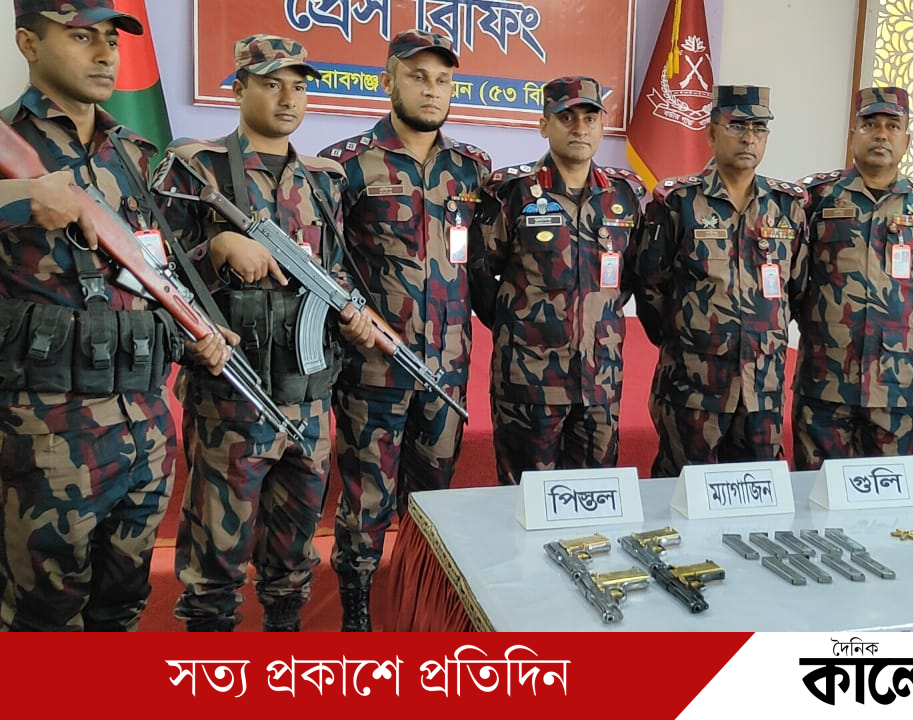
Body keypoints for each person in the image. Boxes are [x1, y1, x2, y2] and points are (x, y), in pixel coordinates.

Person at [0, 0, 229, 631]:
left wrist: (195, 324)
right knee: (41, 623)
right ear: (28, 43)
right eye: (82, 37)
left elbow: (149, 268)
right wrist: (23, 197)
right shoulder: (7, 141)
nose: (105, 54)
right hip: (45, 437)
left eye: (111, 38)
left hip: (144, 433)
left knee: (120, 613)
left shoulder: (135, 154)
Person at [153, 34, 371, 632]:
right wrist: (218, 245)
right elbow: (153, 272)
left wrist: (350, 313)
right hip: (231, 400)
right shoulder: (197, 168)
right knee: (214, 567)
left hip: (308, 401)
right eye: (272, 84)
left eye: (298, 87)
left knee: (293, 563)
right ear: (240, 88)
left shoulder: (324, 180)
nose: (288, 98)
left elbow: (332, 272)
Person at [321, 30, 489, 631]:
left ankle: (422, 609)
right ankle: (357, 614)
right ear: (387, 80)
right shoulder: (346, 163)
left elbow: (481, 263)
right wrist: (352, 316)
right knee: (366, 501)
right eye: (418, 76)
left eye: (443, 79)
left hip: (447, 369)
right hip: (373, 370)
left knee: (434, 500)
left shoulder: (472, 168)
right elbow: (326, 259)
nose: (432, 89)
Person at [473, 76, 644, 486]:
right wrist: (517, 327)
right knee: (525, 501)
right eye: (566, 117)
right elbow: (478, 273)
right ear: (544, 124)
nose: (580, 128)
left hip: (600, 381)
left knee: (594, 499)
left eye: (590, 118)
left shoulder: (624, 196)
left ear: (602, 125)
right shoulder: (512, 192)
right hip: (528, 382)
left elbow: (632, 276)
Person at [633, 85, 809, 477]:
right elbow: (649, 287)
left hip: (761, 389)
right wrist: (687, 339)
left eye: (759, 128)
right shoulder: (678, 202)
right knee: (682, 492)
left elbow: (796, 290)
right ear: (711, 133)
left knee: (756, 493)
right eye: (737, 126)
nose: (749, 138)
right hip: (693, 388)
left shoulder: (787, 207)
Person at [793, 86, 913, 466]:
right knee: (815, 491)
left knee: (887, 494)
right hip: (825, 382)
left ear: (906, 140)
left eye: (892, 126)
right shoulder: (817, 198)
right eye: (870, 125)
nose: (881, 134)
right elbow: (792, 284)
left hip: (896, 387)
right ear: (853, 136)